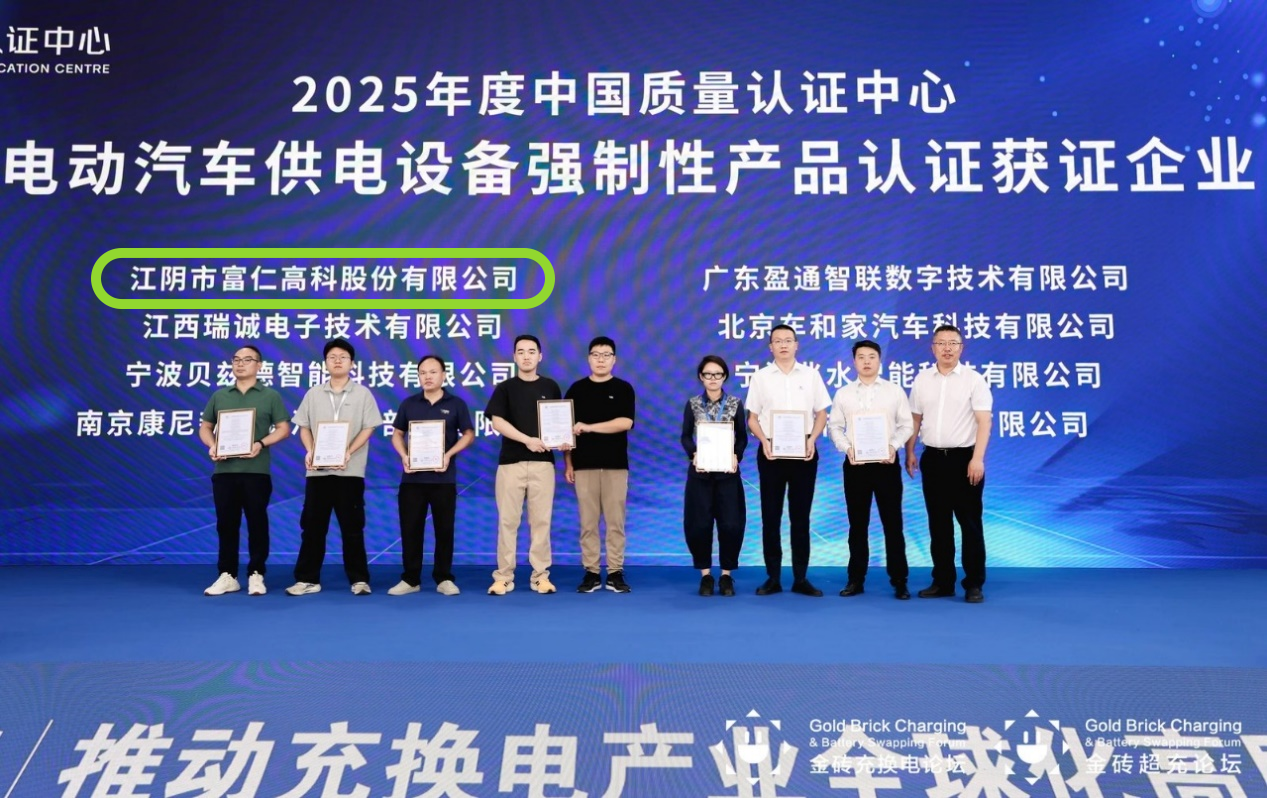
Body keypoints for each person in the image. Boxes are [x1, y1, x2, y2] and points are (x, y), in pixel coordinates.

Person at [285, 338, 383, 596]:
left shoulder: (362, 394)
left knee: (353, 528)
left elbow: (369, 428)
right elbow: (304, 426)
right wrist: (310, 451)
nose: (337, 361)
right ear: (325, 363)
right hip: (318, 472)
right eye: (332, 357)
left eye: (343, 357)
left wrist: (348, 452)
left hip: (350, 472)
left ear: (352, 363)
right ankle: (307, 579)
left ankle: (359, 579)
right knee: (312, 527)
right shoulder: (313, 393)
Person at [905, 324, 994, 603]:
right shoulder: (922, 380)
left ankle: (974, 583)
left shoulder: (974, 380)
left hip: (964, 460)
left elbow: (984, 421)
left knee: (969, 523)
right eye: (941, 343)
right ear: (933, 348)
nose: (947, 348)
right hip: (932, 459)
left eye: (952, 343)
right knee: (939, 524)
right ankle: (943, 581)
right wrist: (910, 451)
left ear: (961, 348)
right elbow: (915, 419)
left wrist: (977, 459)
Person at [745, 324, 831, 597]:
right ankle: (773, 577)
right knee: (771, 517)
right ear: (770, 347)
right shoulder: (761, 377)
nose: (783, 344)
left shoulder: (811, 375)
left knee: (800, 517)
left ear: (796, 345)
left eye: (788, 340)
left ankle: (801, 578)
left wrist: (812, 439)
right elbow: (752, 418)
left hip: (804, 452)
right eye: (777, 341)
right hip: (771, 451)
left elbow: (822, 413)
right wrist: (764, 441)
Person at [199, 345, 291, 596]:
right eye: (236, 359)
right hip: (224, 471)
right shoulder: (220, 395)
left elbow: (283, 429)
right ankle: (227, 575)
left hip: (256, 471)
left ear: (259, 365)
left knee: (257, 523)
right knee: (226, 524)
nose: (240, 364)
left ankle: (256, 573)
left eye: (247, 359)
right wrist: (212, 444)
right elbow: (205, 427)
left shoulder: (270, 395)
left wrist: (260, 443)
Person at [827, 340, 914, 599]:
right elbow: (834, 427)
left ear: (879, 360)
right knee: (857, 525)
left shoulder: (894, 391)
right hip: (856, 466)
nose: (866, 361)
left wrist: (893, 446)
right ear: (854, 361)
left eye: (872, 356)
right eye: (861, 357)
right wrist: (847, 448)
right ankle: (856, 579)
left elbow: (906, 425)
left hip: (886, 465)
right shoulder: (843, 393)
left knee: (893, 524)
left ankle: (899, 580)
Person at [388, 355, 475, 597]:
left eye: (433, 372)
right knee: (410, 530)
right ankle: (410, 579)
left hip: (443, 479)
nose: (427, 376)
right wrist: (404, 455)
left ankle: (444, 577)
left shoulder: (456, 404)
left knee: (444, 530)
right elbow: (397, 434)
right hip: (412, 480)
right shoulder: (409, 404)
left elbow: (468, 434)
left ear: (443, 375)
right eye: (423, 372)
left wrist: (448, 454)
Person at [485, 334, 564, 595]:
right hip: (511, 463)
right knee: (507, 522)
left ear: (540, 356)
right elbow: (498, 422)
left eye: (531, 351)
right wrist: (527, 440)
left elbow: (558, 422)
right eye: (521, 351)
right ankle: (504, 576)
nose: (526, 356)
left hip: (543, 464)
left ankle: (540, 576)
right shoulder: (505, 388)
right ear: (514, 357)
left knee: (541, 522)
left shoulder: (551, 387)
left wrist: (563, 439)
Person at [564, 336, 636, 594]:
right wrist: (568, 463)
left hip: (616, 465)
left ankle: (615, 572)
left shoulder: (624, 388)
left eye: (606, 355)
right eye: (596, 354)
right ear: (588, 359)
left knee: (616, 522)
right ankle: (591, 572)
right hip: (583, 466)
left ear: (614, 359)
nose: (601, 359)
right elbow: (565, 431)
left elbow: (625, 422)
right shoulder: (576, 390)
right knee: (588, 523)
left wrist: (589, 427)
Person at [680, 355, 748, 597]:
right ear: (701, 376)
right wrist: (694, 454)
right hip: (701, 475)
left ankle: (726, 575)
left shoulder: (735, 404)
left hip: (727, 475)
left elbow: (742, 437)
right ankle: (706, 575)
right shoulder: (693, 404)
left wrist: (736, 455)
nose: (713, 378)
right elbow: (685, 436)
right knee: (699, 525)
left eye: (717, 374)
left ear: (724, 377)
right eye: (708, 374)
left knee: (731, 524)